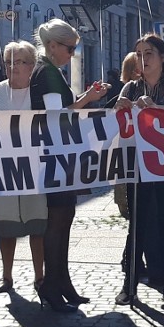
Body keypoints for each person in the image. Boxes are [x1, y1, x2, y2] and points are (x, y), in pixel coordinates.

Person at [29, 18, 109, 312]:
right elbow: (57, 117)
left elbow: (61, 111)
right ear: (53, 46)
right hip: (55, 156)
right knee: (58, 222)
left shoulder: (51, 72)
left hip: (59, 153)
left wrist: (87, 98)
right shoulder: (47, 73)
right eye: (69, 48)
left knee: (65, 219)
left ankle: (61, 282)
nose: (72, 53)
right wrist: (86, 100)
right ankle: (52, 285)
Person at [113, 34, 164, 306]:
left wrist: (157, 111)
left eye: (148, 53)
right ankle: (129, 283)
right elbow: (115, 125)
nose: (143, 58)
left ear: (161, 57)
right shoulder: (131, 88)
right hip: (136, 165)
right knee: (138, 222)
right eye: (138, 53)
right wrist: (119, 108)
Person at [0, 41, 47, 294]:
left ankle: (40, 276)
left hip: (35, 168)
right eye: (8, 62)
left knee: (37, 224)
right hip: (3, 168)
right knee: (5, 226)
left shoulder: (40, 92)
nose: (13, 67)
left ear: (32, 66)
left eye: (19, 62)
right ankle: (6, 276)